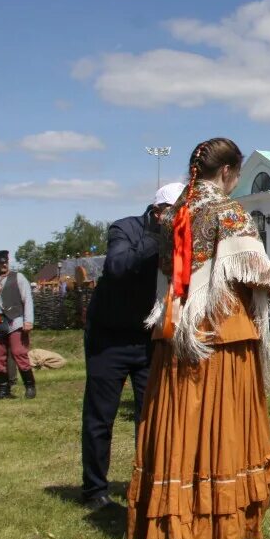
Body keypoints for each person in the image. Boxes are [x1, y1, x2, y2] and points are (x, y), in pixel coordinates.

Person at [129, 138, 270, 539]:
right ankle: (213, 528)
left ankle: (169, 524)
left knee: (179, 424)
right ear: (227, 173)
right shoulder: (226, 210)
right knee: (223, 427)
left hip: (178, 331)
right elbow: (256, 270)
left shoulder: (172, 213)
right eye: (236, 177)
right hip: (221, 336)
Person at [80, 182, 184, 512]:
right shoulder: (125, 228)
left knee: (149, 416)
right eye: (174, 215)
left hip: (146, 339)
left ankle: (145, 482)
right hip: (107, 339)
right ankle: (94, 489)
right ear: (158, 213)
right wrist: (159, 237)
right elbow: (118, 267)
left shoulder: (180, 239)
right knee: (100, 417)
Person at [0, 250, 35, 400]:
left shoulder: (18, 277)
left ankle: (30, 386)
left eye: (5, 262)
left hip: (16, 320)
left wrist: (28, 321)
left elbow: (27, 299)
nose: (4, 264)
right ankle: (3, 390)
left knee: (18, 352)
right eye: (0, 263)